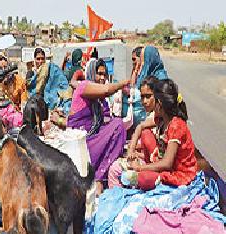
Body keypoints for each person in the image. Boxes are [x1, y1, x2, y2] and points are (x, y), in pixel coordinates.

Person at [66, 58, 129, 195]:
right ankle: (99, 176)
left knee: (117, 125)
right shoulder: (84, 86)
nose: (102, 78)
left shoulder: (100, 100)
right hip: (79, 143)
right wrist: (123, 83)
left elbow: (106, 120)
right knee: (118, 126)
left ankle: (100, 176)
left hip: (92, 138)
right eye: (99, 74)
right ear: (91, 73)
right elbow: (106, 89)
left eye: (104, 74)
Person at [125, 79, 198, 190]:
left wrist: (140, 168)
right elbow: (141, 127)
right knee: (145, 134)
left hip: (179, 173)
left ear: (159, 104)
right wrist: (131, 151)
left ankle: (145, 175)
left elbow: (167, 163)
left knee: (143, 178)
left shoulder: (176, 125)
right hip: (165, 163)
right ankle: (148, 171)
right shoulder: (161, 119)